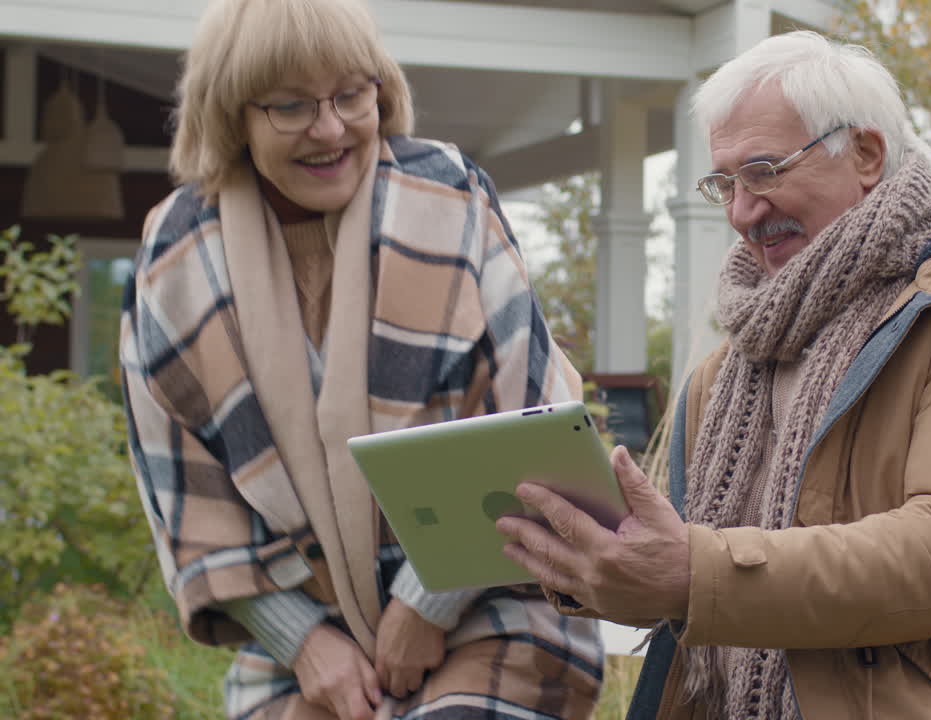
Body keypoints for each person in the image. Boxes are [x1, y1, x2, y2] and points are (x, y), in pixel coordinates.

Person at [497, 30, 931, 719]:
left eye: (765, 171)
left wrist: (696, 575)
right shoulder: (723, 376)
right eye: (725, 184)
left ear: (865, 154)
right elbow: (685, 587)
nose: (743, 213)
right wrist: (595, 563)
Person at [119, 1, 601, 718]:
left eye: (351, 94)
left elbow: (528, 424)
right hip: (301, 648)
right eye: (290, 106)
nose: (330, 128)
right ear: (232, 116)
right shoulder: (177, 255)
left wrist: (425, 605)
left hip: (493, 603)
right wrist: (309, 645)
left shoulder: (449, 194)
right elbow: (187, 501)